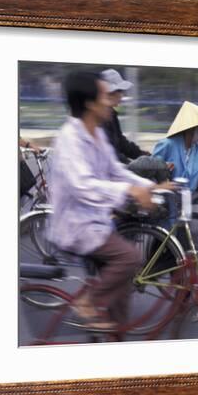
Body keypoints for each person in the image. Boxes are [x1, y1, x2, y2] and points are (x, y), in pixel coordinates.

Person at [47, 71, 171, 331]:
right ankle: (87, 303)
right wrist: (130, 190)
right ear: (91, 103)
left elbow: (115, 169)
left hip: (96, 220)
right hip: (77, 225)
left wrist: (150, 186)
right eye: (107, 95)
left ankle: (115, 336)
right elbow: (83, 185)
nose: (114, 100)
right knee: (130, 258)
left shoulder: (97, 133)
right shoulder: (70, 139)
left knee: (122, 290)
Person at [100, 68, 151, 164]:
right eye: (120, 91)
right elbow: (110, 152)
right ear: (110, 93)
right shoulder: (98, 119)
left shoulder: (111, 114)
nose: (122, 95)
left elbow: (121, 142)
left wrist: (143, 155)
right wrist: (130, 166)